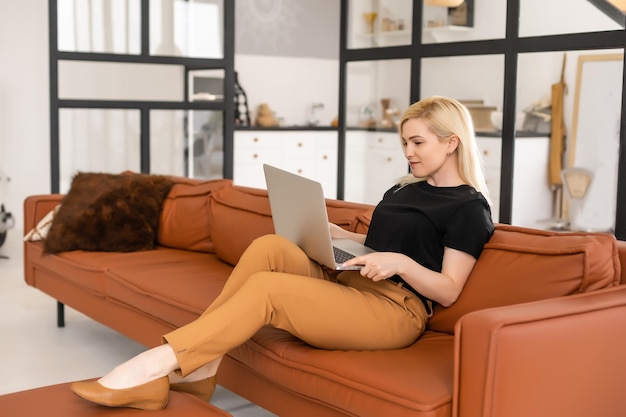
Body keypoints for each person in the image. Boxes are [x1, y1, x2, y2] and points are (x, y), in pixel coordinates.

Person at [71, 96, 495, 410]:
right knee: (271, 246)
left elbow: (448, 290)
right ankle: (200, 366)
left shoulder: (468, 208)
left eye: (417, 142)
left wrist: (401, 263)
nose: (408, 152)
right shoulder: (404, 188)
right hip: (352, 280)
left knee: (268, 291)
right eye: (404, 142)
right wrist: (327, 230)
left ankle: (153, 367)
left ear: (452, 142)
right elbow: (379, 248)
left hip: (395, 311)